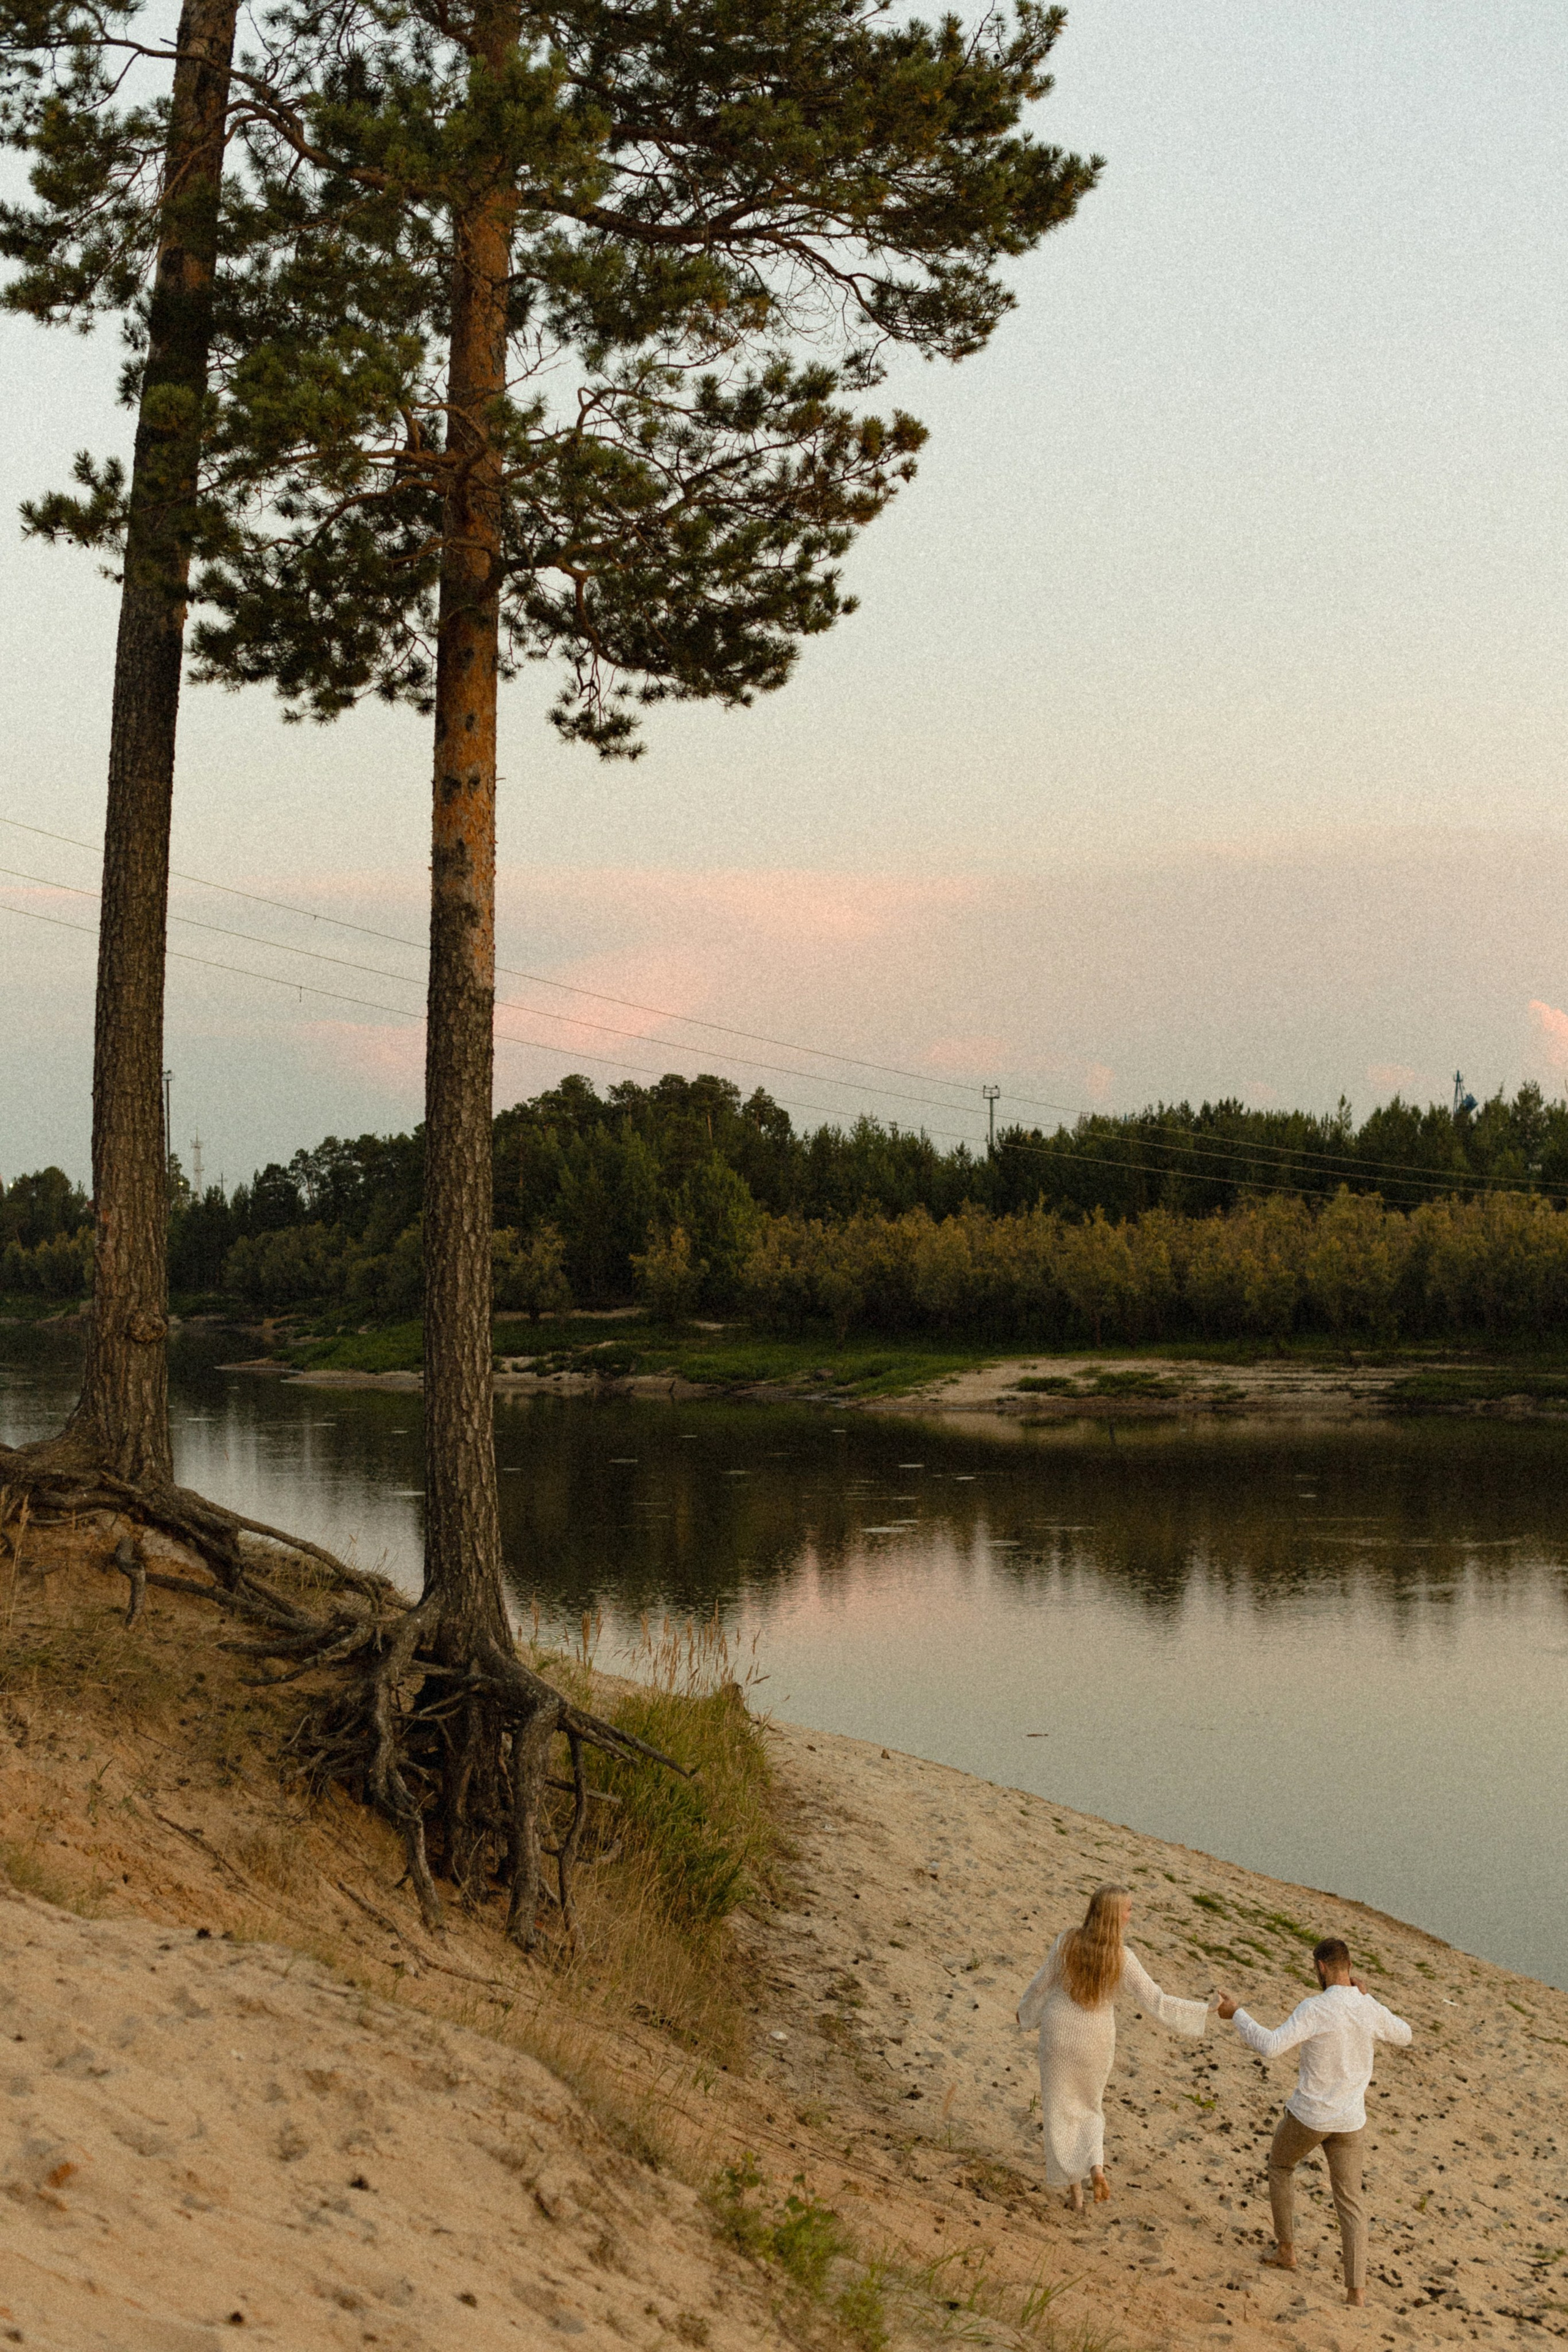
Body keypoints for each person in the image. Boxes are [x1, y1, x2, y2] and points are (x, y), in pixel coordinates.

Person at [1216, 1937, 1412, 2308]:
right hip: (1350, 2121)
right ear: (1349, 1967)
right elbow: (1405, 2034)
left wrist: (1237, 2014)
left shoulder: (1316, 2007)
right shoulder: (1365, 2007)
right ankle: (1356, 2292)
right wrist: (1368, 1999)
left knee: (1280, 2165)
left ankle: (1287, 2250)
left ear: (1322, 1967)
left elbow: (1271, 2046)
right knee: (1351, 2203)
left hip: (1310, 2116)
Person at [1017, 1882, 1212, 2213]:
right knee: (1091, 2107)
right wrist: (1205, 2011)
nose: (1131, 1914)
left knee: (1060, 2108)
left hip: (1060, 2031)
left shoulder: (1067, 1941)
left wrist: (1025, 2016)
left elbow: (1041, 1983)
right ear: (1114, 1916)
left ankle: (1075, 2196)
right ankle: (1096, 2166)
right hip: (1095, 2037)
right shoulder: (1123, 1957)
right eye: (1129, 1909)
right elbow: (1157, 2001)